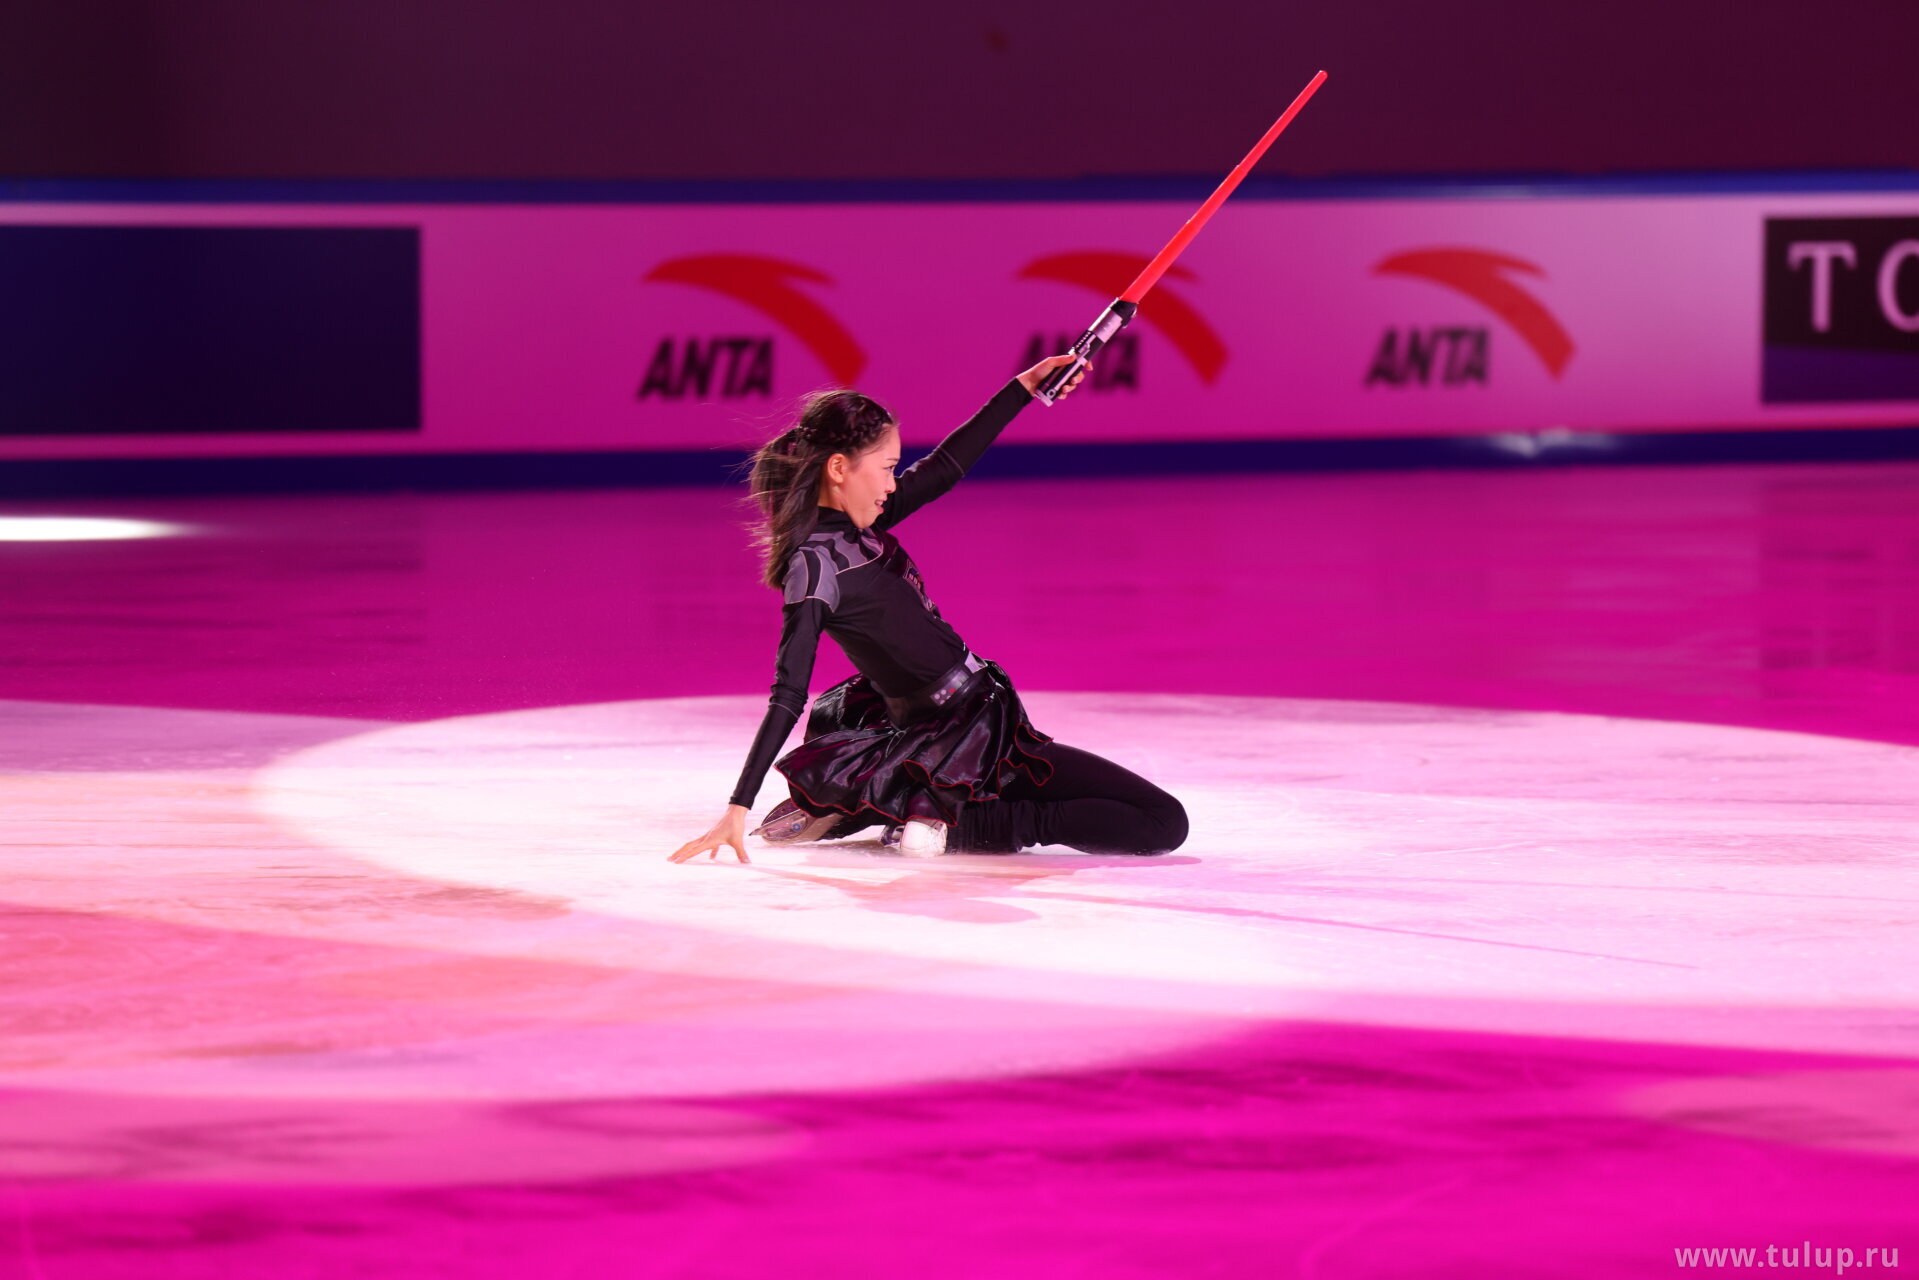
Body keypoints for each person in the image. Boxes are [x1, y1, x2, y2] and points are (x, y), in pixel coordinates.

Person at [668, 356, 1188, 864]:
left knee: (1148, 815)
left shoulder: (861, 524)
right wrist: (737, 807)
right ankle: (959, 824)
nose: (893, 484)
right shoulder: (816, 565)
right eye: (887, 469)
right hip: (961, 731)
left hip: (970, 724)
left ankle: (889, 806)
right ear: (839, 468)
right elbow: (788, 693)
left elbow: (943, 468)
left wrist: (1024, 388)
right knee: (1163, 821)